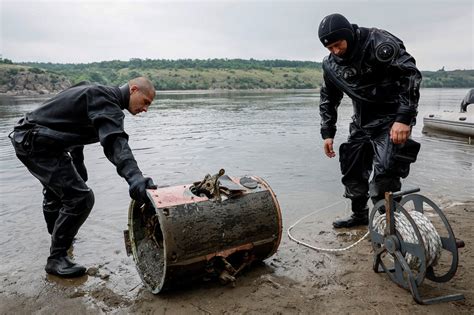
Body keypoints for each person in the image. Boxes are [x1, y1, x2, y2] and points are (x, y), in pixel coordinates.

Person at [10, 77, 157, 277]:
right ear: (133, 90)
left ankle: (60, 238)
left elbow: (71, 124)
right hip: (36, 142)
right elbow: (115, 142)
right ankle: (56, 259)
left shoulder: (93, 91)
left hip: (35, 139)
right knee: (81, 198)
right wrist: (135, 178)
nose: (145, 109)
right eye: (145, 101)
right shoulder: (106, 101)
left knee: (62, 192)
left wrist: (78, 165)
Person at [317, 13, 422, 228]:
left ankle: (390, 223)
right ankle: (360, 215)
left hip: (392, 119)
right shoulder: (331, 66)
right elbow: (328, 98)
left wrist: (404, 119)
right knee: (352, 167)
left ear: (347, 35)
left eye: (338, 45)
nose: (335, 51)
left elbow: (410, 75)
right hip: (362, 121)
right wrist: (328, 133)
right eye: (330, 48)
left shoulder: (379, 44)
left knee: (385, 172)